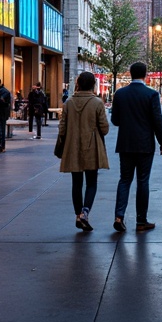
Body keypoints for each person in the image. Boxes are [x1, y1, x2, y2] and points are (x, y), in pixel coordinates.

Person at [111, 61, 162, 233]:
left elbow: (115, 120)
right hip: (145, 144)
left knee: (125, 179)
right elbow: (157, 119)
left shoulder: (120, 94)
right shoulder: (151, 94)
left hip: (125, 144)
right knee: (143, 181)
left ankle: (119, 216)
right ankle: (141, 221)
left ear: (130, 74)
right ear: (146, 75)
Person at [57, 71, 110, 231]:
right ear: (93, 84)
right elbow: (105, 128)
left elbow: (62, 128)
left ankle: (77, 214)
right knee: (92, 182)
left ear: (78, 83)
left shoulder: (69, 102)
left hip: (73, 146)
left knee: (76, 182)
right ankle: (85, 213)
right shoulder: (97, 103)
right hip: (91, 146)